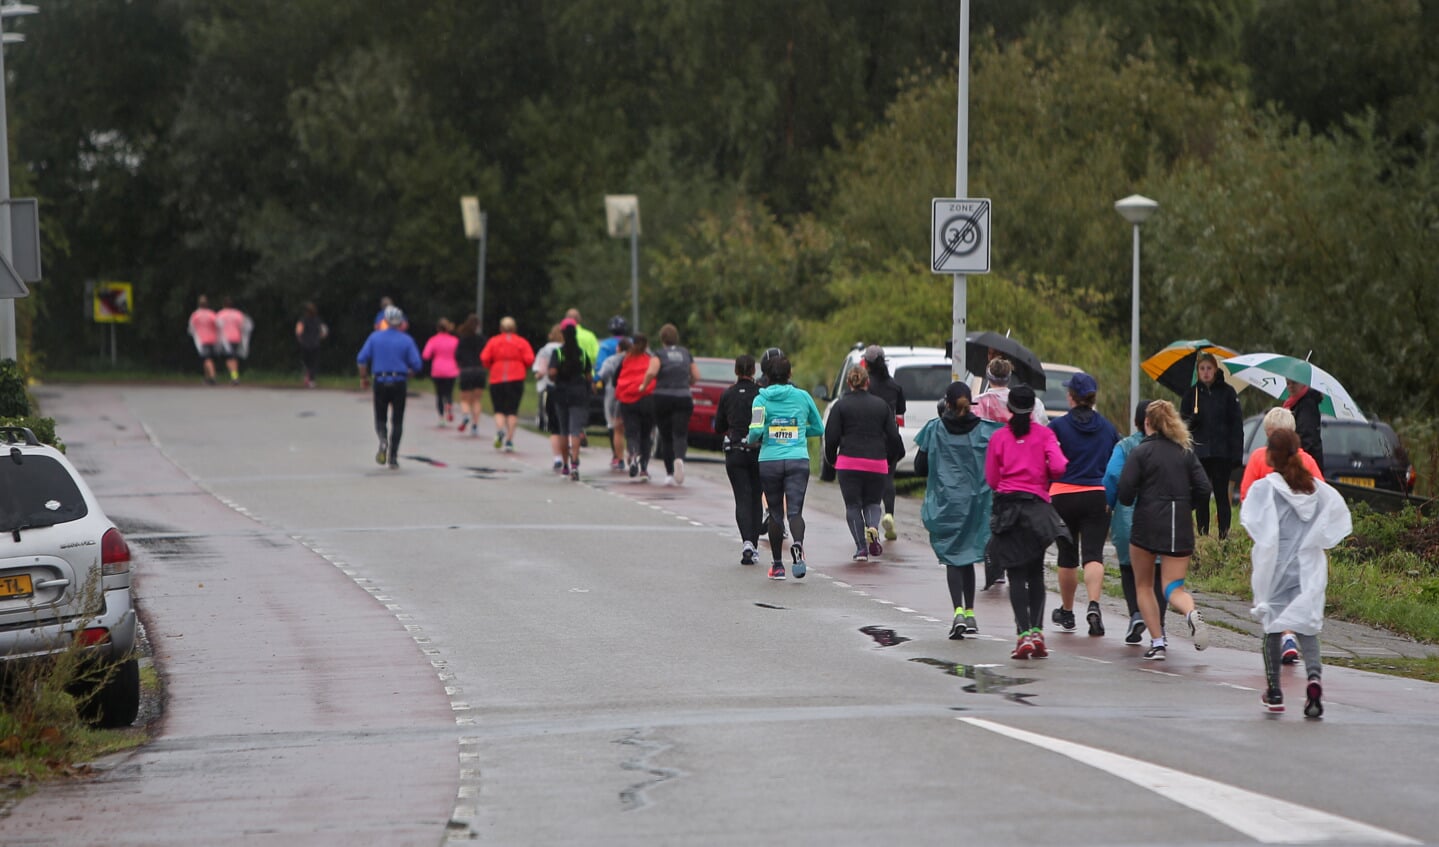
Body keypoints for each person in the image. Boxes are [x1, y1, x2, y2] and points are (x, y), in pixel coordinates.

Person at [1242, 429, 1352, 716]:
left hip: (1277, 569)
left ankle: (1275, 691)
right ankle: (1314, 679)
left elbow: (1252, 522)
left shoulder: (1265, 489)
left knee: (1273, 627)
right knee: (1307, 627)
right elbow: (1338, 522)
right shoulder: (1317, 490)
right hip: (1308, 570)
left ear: (1269, 455)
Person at [1116, 400, 1213, 660]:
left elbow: (1124, 493)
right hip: (1179, 526)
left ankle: (1157, 642)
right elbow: (1204, 488)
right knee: (1173, 588)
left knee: (1144, 586)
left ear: (1148, 423)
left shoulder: (1140, 452)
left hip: (1146, 527)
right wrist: (1185, 506)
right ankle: (1191, 612)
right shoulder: (1185, 451)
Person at [984, 385, 1069, 659]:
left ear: (1009, 408)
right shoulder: (1046, 435)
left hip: (1009, 510)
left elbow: (992, 479)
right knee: (1036, 572)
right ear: (1033, 408)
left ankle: (1022, 636)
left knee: (1015, 574)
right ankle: (1037, 632)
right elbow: (1059, 467)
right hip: (1037, 509)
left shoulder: (999, 438)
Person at [1238, 406, 1325, 664]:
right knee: (1295, 588)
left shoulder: (1258, 459)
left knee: (1273, 591)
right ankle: (1293, 637)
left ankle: (1283, 637)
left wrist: (1255, 529)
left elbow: (1246, 496)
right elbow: (1320, 496)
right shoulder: (1307, 461)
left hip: (1270, 538)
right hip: (1300, 538)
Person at [914, 381, 1000, 639]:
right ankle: (971, 613)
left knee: (953, 557)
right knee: (967, 558)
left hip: (947, 503)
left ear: (947, 404)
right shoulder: (985, 431)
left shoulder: (935, 429)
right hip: (976, 504)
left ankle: (958, 612)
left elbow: (920, 467)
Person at [1047, 372, 1120, 637]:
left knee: (1067, 556)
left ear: (1071, 397)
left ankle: (1067, 612)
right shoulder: (1108, 428)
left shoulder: (1057, 427)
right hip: (1096, 495)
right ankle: (1093, 604)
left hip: (1063, 495)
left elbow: (1047, 460)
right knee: (1093, 555)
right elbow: (1116, 461)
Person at [748, 355, 824, 580]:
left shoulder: (760, 400)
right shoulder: (803, 397)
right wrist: (799, 432)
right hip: (797, 459)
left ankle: (778, 566)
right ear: (790, 374)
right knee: (795, 512)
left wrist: (757, 436)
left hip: (769, 460)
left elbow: (755, 431)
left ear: (767, 376)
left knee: (774, 513)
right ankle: (798, 546)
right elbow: (819, 428)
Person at [824, 367, 905, 563]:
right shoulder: (881, 406)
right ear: (867, 382)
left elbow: (831, 437)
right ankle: (873, 528)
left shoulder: (840, 406)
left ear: (849, 383)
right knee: (873, 503)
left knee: (853, 505)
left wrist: (832, 459)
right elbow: (894, 436)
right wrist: (892, 457)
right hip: (876, 462)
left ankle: (861, 548)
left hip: (848, 462)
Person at [1103, 401, 1167, 645]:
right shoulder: (1171, 447)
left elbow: (1112, 474)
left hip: (1127, 517)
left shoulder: (1125, 446)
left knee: (1129, 569)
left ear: (1138, 421)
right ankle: (1159, 625)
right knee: (1159, 572)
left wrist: (1109, 501)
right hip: (1161, 517)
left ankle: (1136, 614)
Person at [1181, 352, 1244, 539]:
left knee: (1221, 495)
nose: (1206, 372)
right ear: (1198, 371)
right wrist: (1192, 421)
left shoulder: (1228, 393)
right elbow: (1181, 426)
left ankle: (1224, 535)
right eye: (1202, 369)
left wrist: (1236, 455)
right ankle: (1203, 534)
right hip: (1199, 453)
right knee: (1201, 494)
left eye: (1209, 368)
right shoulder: (1191, 395)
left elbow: (1236, 425)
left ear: (1216, 370)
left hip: (1221, 453)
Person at [356, 305, 422, 469]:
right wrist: (409, 373)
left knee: (380, 417)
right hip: (399, 381)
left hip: (380, 380)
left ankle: (383, 440)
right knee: (397, 420)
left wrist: (364, 377)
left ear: (384, 320)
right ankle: (393, 457)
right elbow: (417, 365)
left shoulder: (375, 338)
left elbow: (361, 359)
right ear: (400, 322)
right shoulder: (406, 340)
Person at [714, 354, 764, 565]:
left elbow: (718, 426)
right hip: (758, 451)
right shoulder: (761, 395)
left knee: (741, 498)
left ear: (736, 371)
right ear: (754, 371)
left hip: (734, 451)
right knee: (755, 497)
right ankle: (754, 543)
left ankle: (746, 543)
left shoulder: (728, 395)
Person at [861, 346, 906, 540]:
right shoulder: (895, 386)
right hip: (890, 440)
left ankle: (870, 524)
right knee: (888, 478)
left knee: (869, 483)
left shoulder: (866, 386)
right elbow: (901, 411)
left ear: (867, 364)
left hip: (868, 439)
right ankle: (889, 515)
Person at [651, 324, 700, 485]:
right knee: (680, 434)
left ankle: (669, 474)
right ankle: (679, 458)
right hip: (683, 396)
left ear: (662, 339)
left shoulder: (659, 354)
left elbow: (652, 371)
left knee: (666, 437)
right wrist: (688, 382)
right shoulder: (686, 353)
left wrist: (645, 384)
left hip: (662, 397)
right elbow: (696, 375)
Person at [480, 316, 536, 453]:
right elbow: (530, 359)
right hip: (516, 377)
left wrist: (491, 365)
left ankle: (499, 431)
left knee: (499, 409)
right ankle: (510, 440)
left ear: (501, 328)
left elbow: (484, 358)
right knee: (512, 410)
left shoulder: (494, 341)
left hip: (497, 377)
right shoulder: (521, 342)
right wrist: (522, 365)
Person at [547, 322, 594, 480]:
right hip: (578, 393)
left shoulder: (558, 353)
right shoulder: (582, 353)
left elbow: (552, 372)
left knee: (563, 430)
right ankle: (575, 463)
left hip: (561, 393)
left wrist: (556, 376)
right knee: (575, 430)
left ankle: (565, 465)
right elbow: (588, 376)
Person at [616, 333, 660, 481]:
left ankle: (633, 455)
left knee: (631, 432)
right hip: (647, 399)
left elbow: (616, 377)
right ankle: (644, 468)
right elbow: (656, 376)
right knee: (646, 434)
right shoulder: (650, 360)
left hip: (628, 400)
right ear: (646, 344)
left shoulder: (626, 359)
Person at [596, 316, 631, 470]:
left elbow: (600, 366)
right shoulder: (632, 343)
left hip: (613, 389)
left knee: (612, 423)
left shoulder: (605, 346)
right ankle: (633, 454)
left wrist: (597, 381)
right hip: (633, 389)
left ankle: (617, 456)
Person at [974, 358, 1049, 426]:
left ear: (988, 377)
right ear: (1010, 378)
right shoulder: (1030, 403)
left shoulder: (977, 402)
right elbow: (1042, 425)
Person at [533, 324, 566, 472]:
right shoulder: (568, 349)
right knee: (565, 424)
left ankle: (557, 457)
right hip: (566, 389)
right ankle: (569, 455)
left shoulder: (545, 350)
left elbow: (541, 370)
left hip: (548, 389)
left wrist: (538, 376)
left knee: (554, 427)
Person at [421, 318, 460, 427]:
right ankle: (449, 405)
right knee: (449, 392)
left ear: (437, 328)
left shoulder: (433, 340)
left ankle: (441, 418)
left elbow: (426, 355)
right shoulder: (455, 340)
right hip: (452, 369)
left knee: (439, 394)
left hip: (438, 370)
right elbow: (459, 354)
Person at [453, 314, 486, 436]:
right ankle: (475, 426)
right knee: (477, 400)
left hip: (466, 370)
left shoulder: (463, 339)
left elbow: (457, 356)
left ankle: (466, 415)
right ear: (478, 326)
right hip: (479, 370)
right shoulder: (482, 339)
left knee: (464, 399)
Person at [1285, 378, 1324, 463]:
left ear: (1303, 384)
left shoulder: (1307, 404)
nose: (1291, 386)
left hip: (1304, 462)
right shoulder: (1295, 403)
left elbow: (1306, 437)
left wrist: (1293, 459)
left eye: (1294, 382)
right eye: (1288, 383)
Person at [215, 297, 253, 385]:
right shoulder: (238, 314)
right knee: (233, 357)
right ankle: (235, 376)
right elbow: (243, 325)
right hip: (236, 338)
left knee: (229, 359)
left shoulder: (221, 314)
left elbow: (217, 326)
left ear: (224, 305)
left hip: (226, 339)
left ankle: (234, 377)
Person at [294, 302, 328, 387]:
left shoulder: (302, 320)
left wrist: (301, 340)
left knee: (306, 363)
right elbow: (324, 332)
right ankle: (311, 380)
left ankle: (307, 378)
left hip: (305, 345)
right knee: (314, 363)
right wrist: (318, 338)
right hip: (315, 345)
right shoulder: (318, 321)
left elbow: (298, 332)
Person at [188, 295, 220, 385]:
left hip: (202, 340)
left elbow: (191, 328)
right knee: (206, 359)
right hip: (213, 339)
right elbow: (218, 324)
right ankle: (207, 378)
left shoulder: (195, 315)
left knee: (207, 359)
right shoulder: (212, 314)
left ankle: (213, 376)